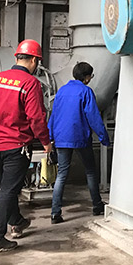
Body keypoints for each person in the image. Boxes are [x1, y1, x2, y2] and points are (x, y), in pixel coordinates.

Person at [0, 39, 51, 254]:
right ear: (35, 60)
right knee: (9, 191)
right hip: (16, 145)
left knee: (7, 187)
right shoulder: (30, 83)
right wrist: (45, 142)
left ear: (17, 57)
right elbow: (36, 117)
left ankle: (16, 221)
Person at [48, 62, 110, 223]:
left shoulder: (62, 91)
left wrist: (50, 136)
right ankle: (97, 205)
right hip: (80, 137)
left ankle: (55, 213)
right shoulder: (86, 91)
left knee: (62, 174)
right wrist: (104, 137)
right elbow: (93, 117)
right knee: (90, 171)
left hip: (61, 138)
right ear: (87, 77)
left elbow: (54, 115)